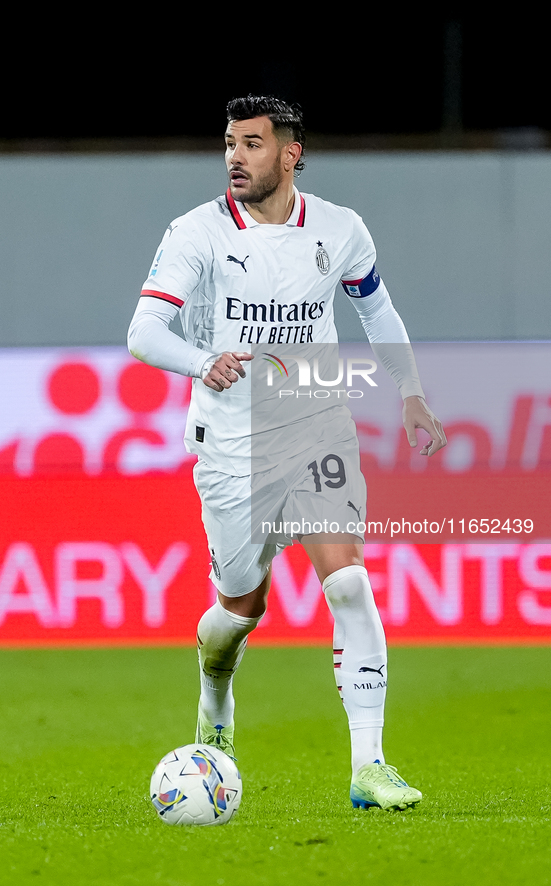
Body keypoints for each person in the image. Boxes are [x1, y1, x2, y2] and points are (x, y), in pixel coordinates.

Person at [128, 95, 446, 812]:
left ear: (289, 155)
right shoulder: (196, 233)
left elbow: (375, 308)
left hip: (316, 425)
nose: (234, 158)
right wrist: (200, 360)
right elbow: (144, 332)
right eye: (229, 144)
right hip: (231, 445)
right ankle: (214, 691)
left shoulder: (339, 228)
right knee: (240, 607)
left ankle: (370, 767)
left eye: (251, 144)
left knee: (348, 582)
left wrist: (410, 391)